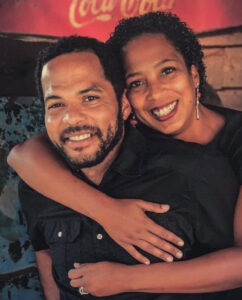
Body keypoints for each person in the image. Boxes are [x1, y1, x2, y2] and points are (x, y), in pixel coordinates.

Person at [8, 12, 242, 298]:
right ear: (126, 99)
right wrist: (107, 211)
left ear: (193, 74)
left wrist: (127, 279)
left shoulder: (208, 164)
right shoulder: (111, 133)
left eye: (167, 70)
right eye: (136, 82)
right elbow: (26, 153)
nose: (156, 94)